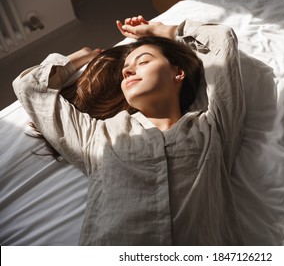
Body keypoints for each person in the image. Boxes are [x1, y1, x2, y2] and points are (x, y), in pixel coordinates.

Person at [13, 16, 245, 245]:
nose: (128, 72)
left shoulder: (213, 127)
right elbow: (30, 87)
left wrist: (161, 29)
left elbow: (220, 40)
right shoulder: (97, 136)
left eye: (143, 62)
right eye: (125, 70)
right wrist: (79, 59)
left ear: (178, 73)